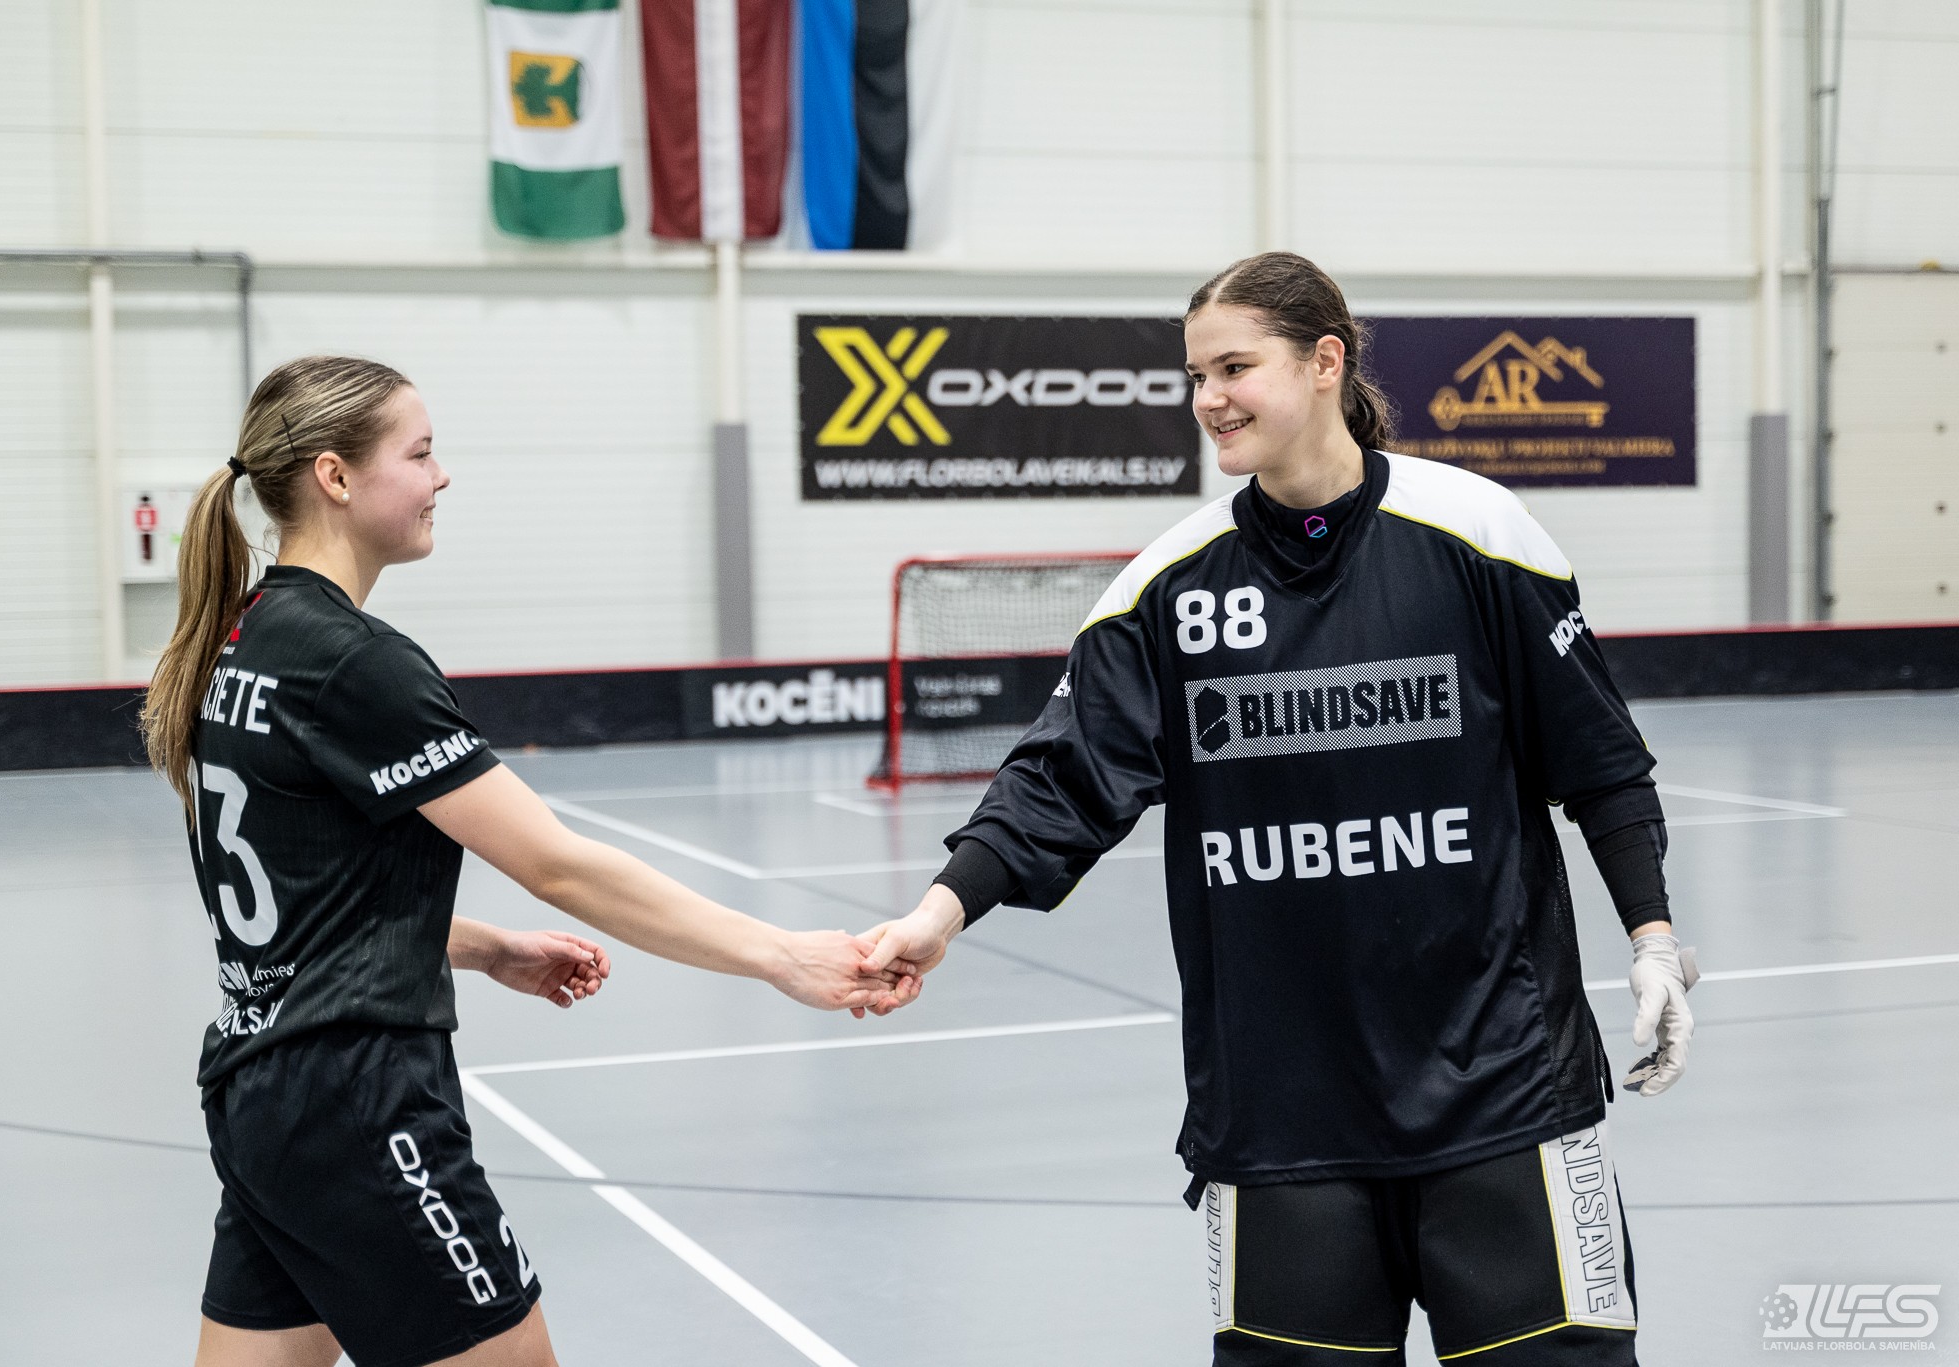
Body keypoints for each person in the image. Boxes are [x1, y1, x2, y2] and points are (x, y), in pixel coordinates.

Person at [860, 253, 1697, 1364]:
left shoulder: (1479, 533)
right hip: (1279, 1119)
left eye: (1234, 367)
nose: (1209, 397)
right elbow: (1059, 779)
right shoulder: (1167, 588)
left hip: (1506, 1094)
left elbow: (1599, 762)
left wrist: (1651, 939)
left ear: (1323, 362)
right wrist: (940, 911)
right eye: (1195, 375)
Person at [142, 355, 914, 1367]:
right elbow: (560, 865)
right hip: (361, 1106)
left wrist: (484, 947)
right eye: (419, 453)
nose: (441, 475)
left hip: (260, 1093)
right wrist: (780, 954)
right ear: (335, 476)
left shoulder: (241, 640)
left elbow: (296, 899)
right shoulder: (354, 661)